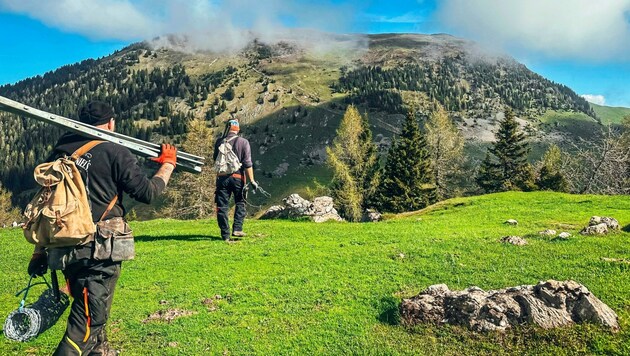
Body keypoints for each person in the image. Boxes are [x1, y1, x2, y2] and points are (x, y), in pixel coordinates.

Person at [26, 101, 177, 355]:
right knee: (85, 324)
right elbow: (148, 193)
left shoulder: (60, 152)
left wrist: (39, 251)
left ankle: (101, 351)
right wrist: (168, 164)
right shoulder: (115, 151)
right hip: (97, 251)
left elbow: (50, 205)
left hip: (64, 249)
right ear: (110, 123)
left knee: (93, 308)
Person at [213, 119, 258, 241]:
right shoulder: (243, 142)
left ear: (227, 128)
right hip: (238, 178)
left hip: (222, 178)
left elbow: (215, 159)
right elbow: (247, 163)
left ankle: (225, 234)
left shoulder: (219, 142)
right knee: (240, 202)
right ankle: (237, 229)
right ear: (238, 129)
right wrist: (252, 180)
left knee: (222, 206)